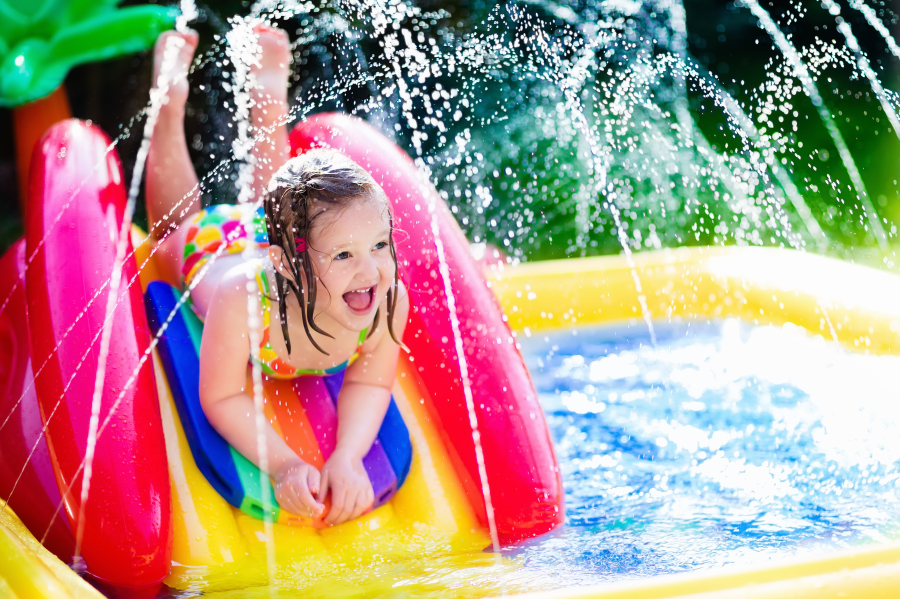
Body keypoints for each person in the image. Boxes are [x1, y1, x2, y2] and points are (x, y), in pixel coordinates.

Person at [145, 25, 409, 527]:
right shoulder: (245, 301)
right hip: (217, 245)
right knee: (172, 228)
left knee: (286, 202)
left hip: (290, 244)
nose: (370, 271)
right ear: (283, 266)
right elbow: (222, 395)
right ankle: (169, 103)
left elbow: (371, 381)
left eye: (380, 245)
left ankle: (267, 90)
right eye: (346, 257)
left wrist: (348, 456)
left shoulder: (387, 298)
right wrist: (285, 465)